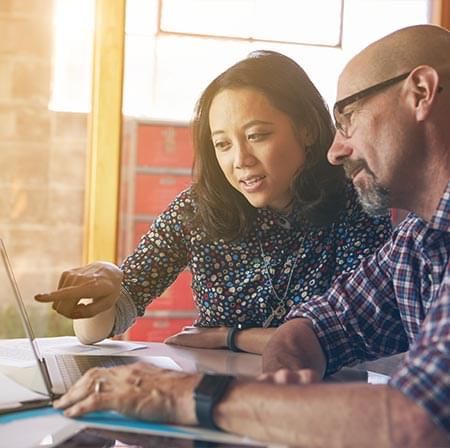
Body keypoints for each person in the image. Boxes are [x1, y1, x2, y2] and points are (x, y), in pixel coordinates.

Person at [51, 24, 449, 447]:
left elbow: (417, 419)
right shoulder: (418, 240)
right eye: (222, 143)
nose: (337, 150)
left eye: (348, 120)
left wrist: (192, 387)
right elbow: (324, 324)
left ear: (421, 92)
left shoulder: (360, 206)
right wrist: (278, 401)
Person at [35, 51, 391, 354]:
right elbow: (96, 331)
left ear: (307, 130)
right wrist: (107, 280)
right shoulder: (197, 209)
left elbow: (355, 333)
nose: (241, 160)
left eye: (257, 136)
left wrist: (230, 338)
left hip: (321, 402)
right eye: (223, 144)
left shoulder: (356, 202)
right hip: (215, 398)